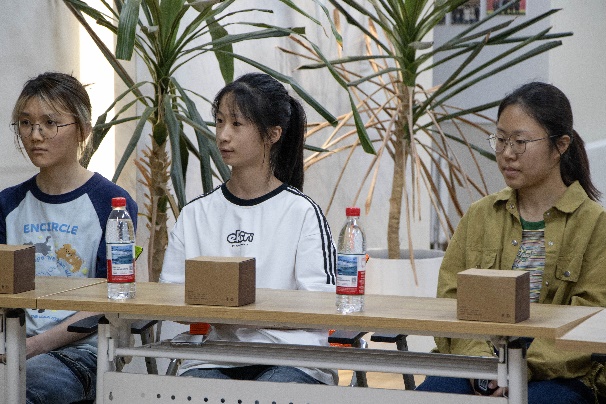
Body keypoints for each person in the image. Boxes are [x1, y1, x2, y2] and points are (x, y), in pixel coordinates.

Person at [416, 82, 606, 403]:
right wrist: (483, 363)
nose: (507, 154)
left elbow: (591, 319)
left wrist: (522, 368)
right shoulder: (480, 215)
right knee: (432, 396)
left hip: (559, 370)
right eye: (501, 140)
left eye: (520, 142)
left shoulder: (595, 224)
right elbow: (451, 299)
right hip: (480, 356)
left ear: (560, 145)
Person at [160, 72, 337, 386]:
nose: (223, 135)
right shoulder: (196, 214)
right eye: (219, 122)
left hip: (293, 358)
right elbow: (170, 296)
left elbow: (322, 304)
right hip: (215, 357)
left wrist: (243, 308)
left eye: (237, 124)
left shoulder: (302, 213)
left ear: (273, 134)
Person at [0, 72, 137, 403]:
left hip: (84, 349)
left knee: (25, 388)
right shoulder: (8, 204)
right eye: (26, 123)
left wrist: (33, 346)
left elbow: (110, 300)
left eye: (50, 123)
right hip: (15, 342)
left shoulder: (112, 204)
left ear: (84, 129)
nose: (35, 135)